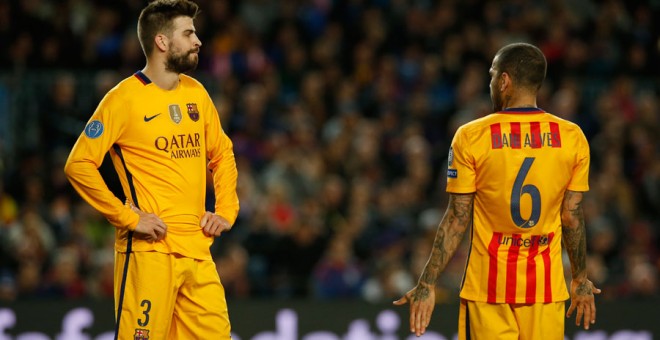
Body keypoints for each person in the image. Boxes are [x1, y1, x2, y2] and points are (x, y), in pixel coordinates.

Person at [394, 43, 601, 339]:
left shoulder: (471, 136)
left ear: (504, 81)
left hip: (487, 291)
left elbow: (457, 217)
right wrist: (580, 278)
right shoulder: (572, 137)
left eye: (492, 75)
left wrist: (427, 283)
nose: (491, 82)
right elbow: (571, 216)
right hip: (545, 290)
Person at [64, 1, 239, 339]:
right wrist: (127, 217)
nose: (198, 40)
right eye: (188, 33)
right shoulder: (123, 99)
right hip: (150, 251)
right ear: (161, 42)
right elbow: (78, 164)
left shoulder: (197, 94)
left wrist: (226, 210)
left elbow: (223, 153)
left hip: (198, 251)